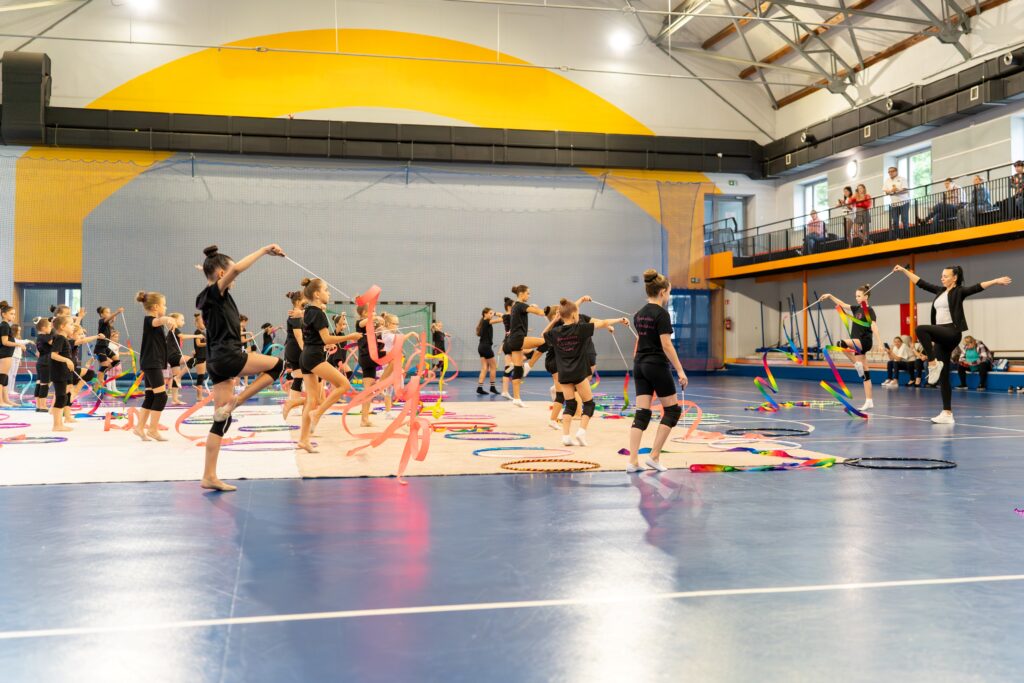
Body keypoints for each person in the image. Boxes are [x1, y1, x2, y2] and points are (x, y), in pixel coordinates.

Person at [197, 243, 287, 491]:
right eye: (228, 274)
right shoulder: (216, 293)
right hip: (228, 355)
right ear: (221, 274)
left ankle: (209, 476)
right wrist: (264, 250)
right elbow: (236, 269)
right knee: (278, 365)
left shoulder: (206, 296)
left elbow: (222, 272)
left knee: (221, 421)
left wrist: (206, 268)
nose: (233, 277)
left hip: (215, 361)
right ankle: (236, 402)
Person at [894, 264, 1012, 424]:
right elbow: (921, 283)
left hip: (952, 332)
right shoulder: (940, 291)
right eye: (942, 275)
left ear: (954, 278)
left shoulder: (959, 291)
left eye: (945, 276)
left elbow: (977, 287)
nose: (942, 278)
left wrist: (996, 281)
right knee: (943, 376)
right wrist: (904, 271)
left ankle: (932, 363)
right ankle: (947, 413)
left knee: (920, 329)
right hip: (940, 334)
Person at [626, 269, 688, 473]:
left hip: (639, 365)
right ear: (662, 292)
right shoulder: (661, 314)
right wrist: (680, 371)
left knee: (642, 413)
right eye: (669, 292)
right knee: (672, 410)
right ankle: (654, 456)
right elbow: (666, 345)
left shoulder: (639, 314)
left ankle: (632, 461)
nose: (668, 295)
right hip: (655, 365)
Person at [543, 299, 627, 447]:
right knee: (589, 404)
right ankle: (581, 432)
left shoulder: (555, 332)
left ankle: (566, 436)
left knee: (570, 404)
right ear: (574, 314)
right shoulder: (581, 329)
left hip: (564, 374)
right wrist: (619, 320)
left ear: (561, 316)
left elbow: (544, 334)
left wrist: (554, 321)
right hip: (579, 373)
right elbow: (603, 323)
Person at [296, 277, 360, 450]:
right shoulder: (319, 313)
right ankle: (318, 413)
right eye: (326, 290)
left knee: (312, 399)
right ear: (317, 294)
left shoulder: (308, 311)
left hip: (306, 355)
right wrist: (350, 336)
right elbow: (326, 338)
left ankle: (303, 440)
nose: (329, 293)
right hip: (314, 357)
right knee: (344, 384)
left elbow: (316, 338)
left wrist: (324, 344)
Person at [821, 285, 879, 411]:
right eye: (856, 296)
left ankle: (856, 363)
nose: (856, 298)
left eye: (859, 296)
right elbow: (842, 304)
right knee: (865, 375)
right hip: (857, 344)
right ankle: (869, 401)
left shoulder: (869, 310)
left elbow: (874, 326)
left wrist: (879, 342)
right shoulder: (856, 308)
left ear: (866, 296)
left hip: (864, 341)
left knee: (841, 343)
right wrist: (830, 296)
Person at [134, 292, 177, 441]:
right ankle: (152, 429)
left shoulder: (156, 323)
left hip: (152, 362)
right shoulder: (150, 320)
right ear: (156, 307)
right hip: (152, 363)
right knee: (162, 396)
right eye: (164, 305)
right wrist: (168, 319)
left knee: (151, 396)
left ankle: (139, 427)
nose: (165, 307)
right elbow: (160, 320)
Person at [504, 284, 547, 408]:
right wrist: (550, 310)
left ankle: (516, 398)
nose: (529, 295)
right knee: (546, 341)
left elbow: (524, 311)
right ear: (521, 294)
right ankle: (529, 365)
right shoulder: (520, 305)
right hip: (518, 339)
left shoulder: (516, 306)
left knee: (518, 370)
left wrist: (530, 306)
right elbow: (541, 313)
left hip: (512, 341)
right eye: (528, 293)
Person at [475, 308, 503, 395]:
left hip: (481, 347)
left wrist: (493, 314)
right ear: (485, 314)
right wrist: (496, 313)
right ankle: (492, 387)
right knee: (493, 367)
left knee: (484, 368)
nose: (491, 315)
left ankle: (479, 388)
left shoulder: (484, 322)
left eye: (492, 313)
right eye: (490, 313)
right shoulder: (487, 322)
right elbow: (502, 318)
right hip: (486, 347)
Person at [883, 166, 910, 231]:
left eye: (892, 171)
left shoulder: (902, 179)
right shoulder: (887, 181)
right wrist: (891, 191)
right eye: (889, 172)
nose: (890, 173)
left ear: (896, 172)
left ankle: (907, 234)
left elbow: (906, 190)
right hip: (894, 204)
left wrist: (897, 190)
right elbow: (885, 191)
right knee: (895, 221)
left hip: (904, 202)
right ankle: (897, 235)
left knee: (904, 219)